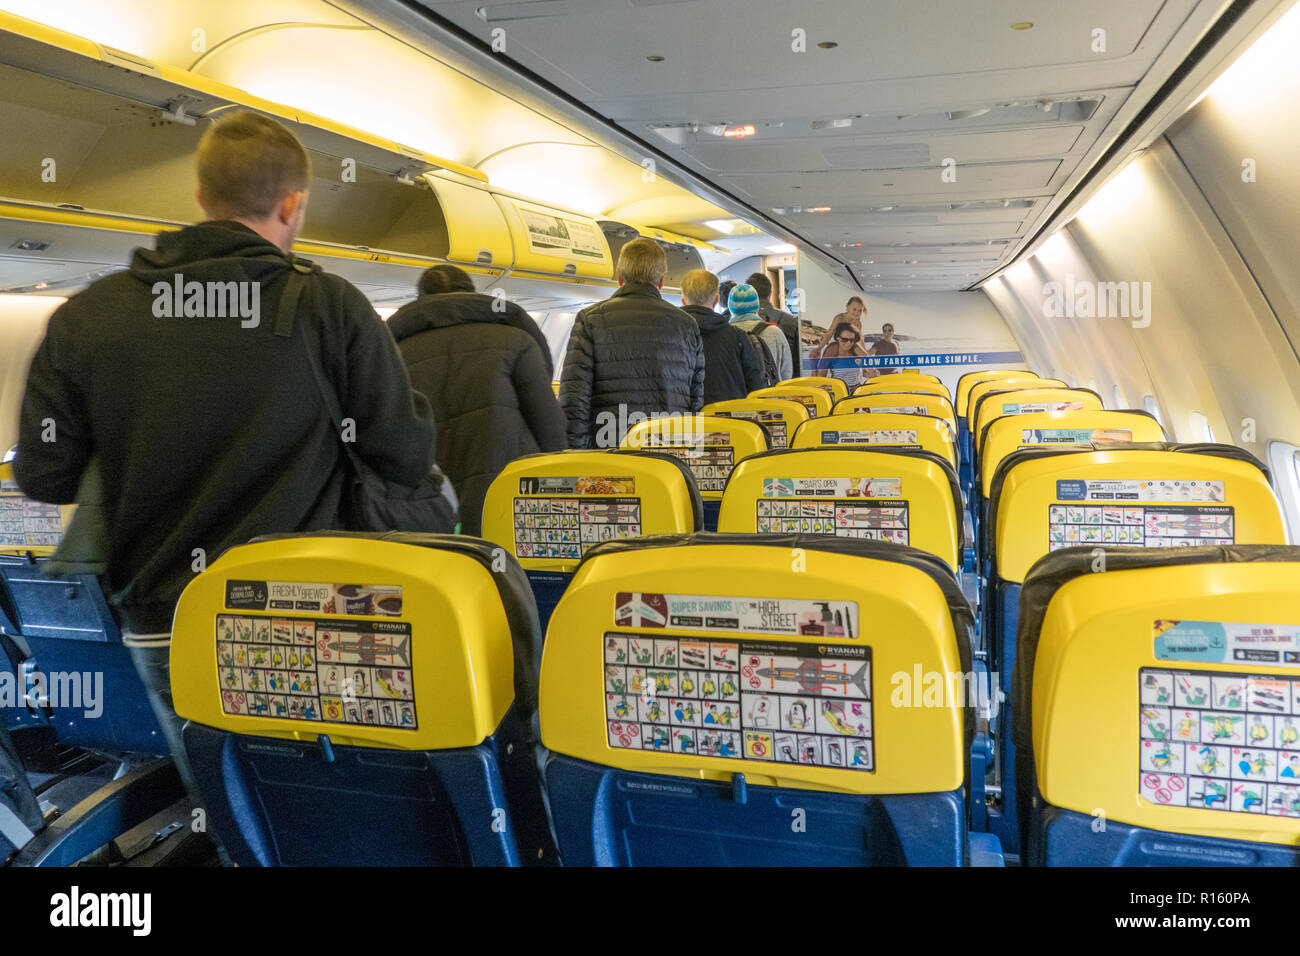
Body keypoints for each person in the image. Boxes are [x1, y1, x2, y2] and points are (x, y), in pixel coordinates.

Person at [13, 111, 436, 783]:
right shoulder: (331, 307)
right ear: (293, 205)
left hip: (163, 614)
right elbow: (404, 456)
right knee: (334, 804)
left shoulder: (86, 318)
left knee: (233, 806)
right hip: (314, 613)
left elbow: (45, 475)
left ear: (202, 198)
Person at [388, 264, 565, 535]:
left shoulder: (394, 355)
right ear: (472, 292)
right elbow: (550, 428)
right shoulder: (516, 340)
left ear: (420, 298)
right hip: (507, 495)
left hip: (431, 504)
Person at [559, 237, 705, 448]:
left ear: (620, 277)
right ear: (662, 281)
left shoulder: (590, 319)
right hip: (668, 450)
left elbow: (574, 400)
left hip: (610, 451)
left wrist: (579, 455)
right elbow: (696, 401)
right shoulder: (688, 325)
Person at [678, 269, 764, 404]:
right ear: (716, 300)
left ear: (683, 301)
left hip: (685, 422)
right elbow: (755, 386)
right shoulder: (738, 337)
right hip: (729, 420)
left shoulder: (670, 336)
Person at [728, 283, 792, 382]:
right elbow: (786, 372)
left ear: (731, 308)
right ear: (756, 306)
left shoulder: (723, 334)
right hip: (771, 394)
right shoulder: (774, 332)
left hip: (737, 397)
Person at [747, 272, 801, 377]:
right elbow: (796, 364)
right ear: (770, 294)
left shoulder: (736, 326)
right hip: (783, 387)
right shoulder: (791, 321)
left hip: (751, 389)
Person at [809, 322, 867, 390]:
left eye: (852, 340)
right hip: (840, 391)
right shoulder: (832, 349)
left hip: (857, 390)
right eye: (844, 340)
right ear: (837, 338)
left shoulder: (855, 348)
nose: (848, 343)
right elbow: (821, 377)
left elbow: (867, 364)